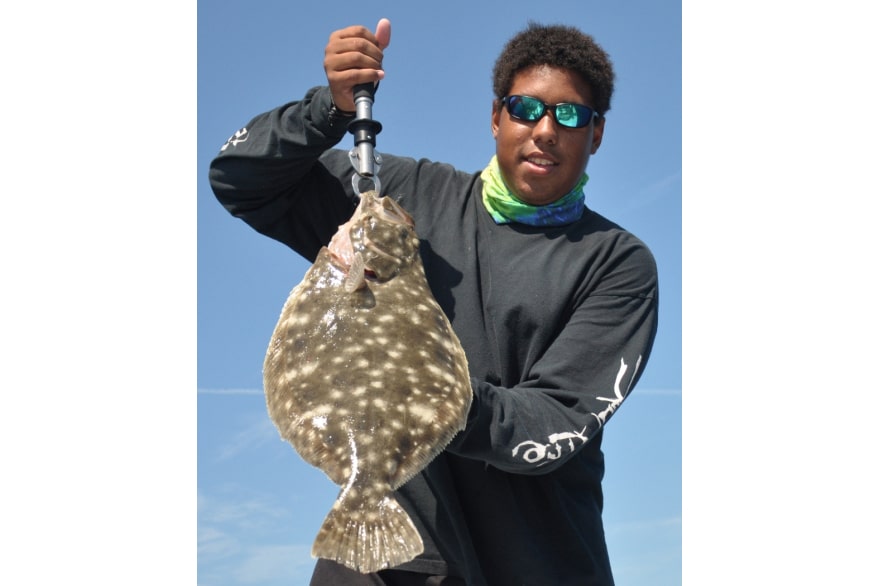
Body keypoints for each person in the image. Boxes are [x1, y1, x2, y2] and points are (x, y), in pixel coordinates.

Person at [209, 17, 659, 586]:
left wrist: (422, 394)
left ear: (595, 135)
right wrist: (331, 109)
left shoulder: (616, 263)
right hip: (380, 567)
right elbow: (240, 179)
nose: (545, 129)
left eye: (569, 115)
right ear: (496, 118)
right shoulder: (396, 198)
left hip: (538, 564)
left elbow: (554, 423)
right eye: (525, 108)